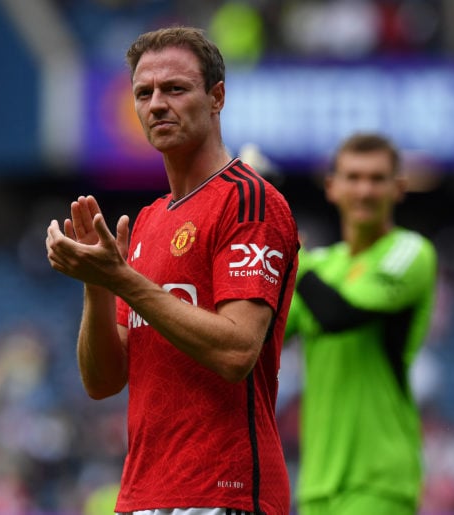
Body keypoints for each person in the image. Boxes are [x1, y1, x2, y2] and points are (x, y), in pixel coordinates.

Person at [46, 27, 298, 515]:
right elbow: (102, 381)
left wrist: (123, 280)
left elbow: (237, 350)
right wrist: (98, 284)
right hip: (143, 494)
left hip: (225, 492)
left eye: (175, 89)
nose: (157, 104)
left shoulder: (251, 201)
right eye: (145, 93)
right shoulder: (148, 221)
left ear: (216, 97)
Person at [284, 133, 437, 515]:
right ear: (332, 187)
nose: (364, 190)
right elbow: (265, 334)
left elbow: (339, 314)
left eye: (376, 178)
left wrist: (286, 253)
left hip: (379, 478)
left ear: (398, 188)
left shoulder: (410, 252)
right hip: (317, 484)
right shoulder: (320, 265)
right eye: (353, 177)